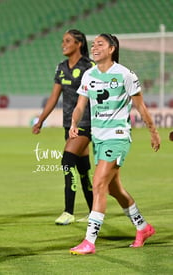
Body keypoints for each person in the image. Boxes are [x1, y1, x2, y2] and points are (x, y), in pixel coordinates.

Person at [68, 33, 161, 255]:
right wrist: (74, 122)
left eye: (100, 44)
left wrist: (153, 131)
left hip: (117, 136)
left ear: (112, 49)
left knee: (98, 183)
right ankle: (143, 227)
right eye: (93, 44)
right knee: (113, 188)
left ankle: (89, 241)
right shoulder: (89, 75)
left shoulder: (125, 75)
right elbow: (81, 105)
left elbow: (141, 107)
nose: (95, 47)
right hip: (99, 138)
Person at [32, 29, 95, 225]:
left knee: (67, 161)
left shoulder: (89, 66)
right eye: (62, 41)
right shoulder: (61, 67)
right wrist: (41, 119)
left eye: (68, 41)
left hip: (86, 123)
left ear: (79, 44)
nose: (63, 44)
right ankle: (95, 213)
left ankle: (69, 211)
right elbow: (54, 97)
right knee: (82, 169)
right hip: (69, 124)